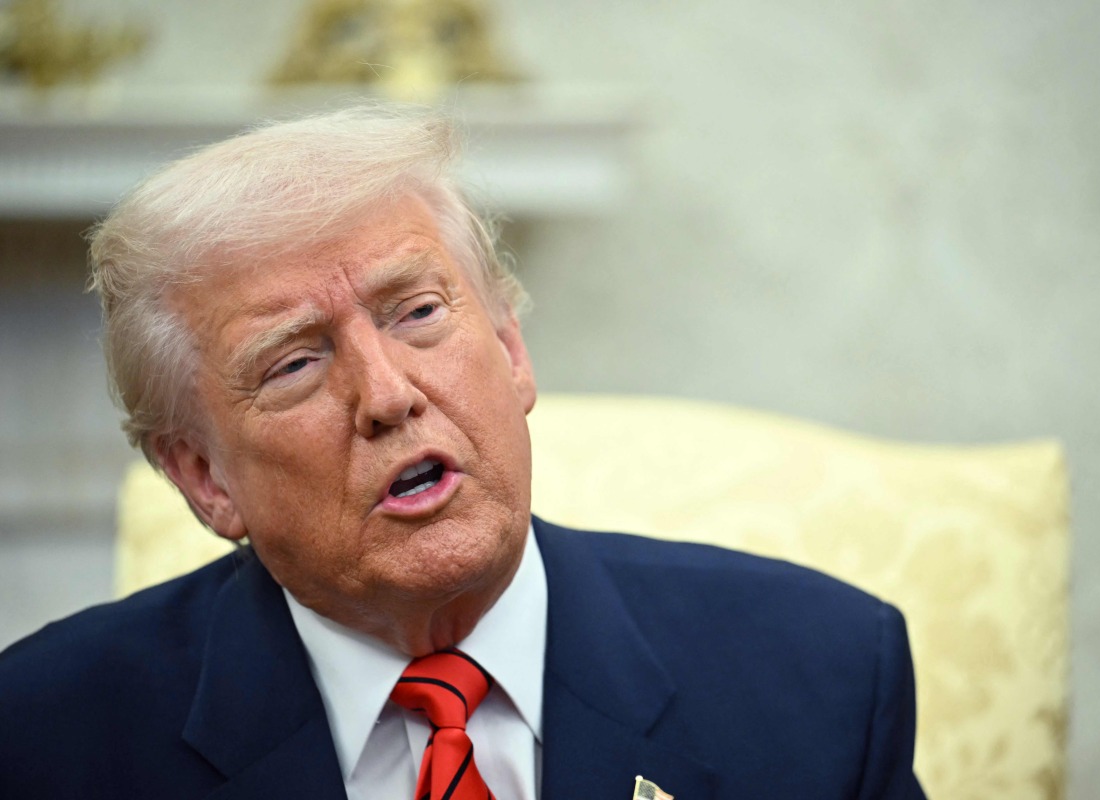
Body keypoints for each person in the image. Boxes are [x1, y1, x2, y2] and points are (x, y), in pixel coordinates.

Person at [0, 105, 925, 799]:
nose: (388, 395)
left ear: (512, 350)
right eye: (293, 363)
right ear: (204, 478)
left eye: (417, 313)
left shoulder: (822, 674)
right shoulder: (42, 739)